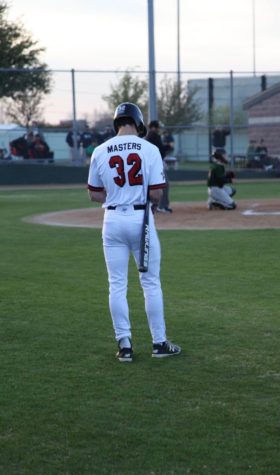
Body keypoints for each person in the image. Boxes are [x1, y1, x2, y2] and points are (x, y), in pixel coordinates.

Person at [87, 102, 181, 362]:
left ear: (116, 122)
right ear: (138, 123)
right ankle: (159, 343)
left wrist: (116, 195)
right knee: (150, 283)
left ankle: (125, 345)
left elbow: (94, 194)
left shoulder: (100, 150)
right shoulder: (149, 148)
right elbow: (156, 193)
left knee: (116, 284)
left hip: (113, 219)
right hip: (141, 219)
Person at [146, 120, 173, 213]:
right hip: (155, 164)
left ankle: (154, 205)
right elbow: (160, 150)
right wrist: (168, 147)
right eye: (157, 127)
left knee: (152, 186)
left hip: (150, 163)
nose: (158, 129)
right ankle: (162, 206)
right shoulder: (154, 135)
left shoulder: (149, 135)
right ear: (154, 127)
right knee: (164, 184)